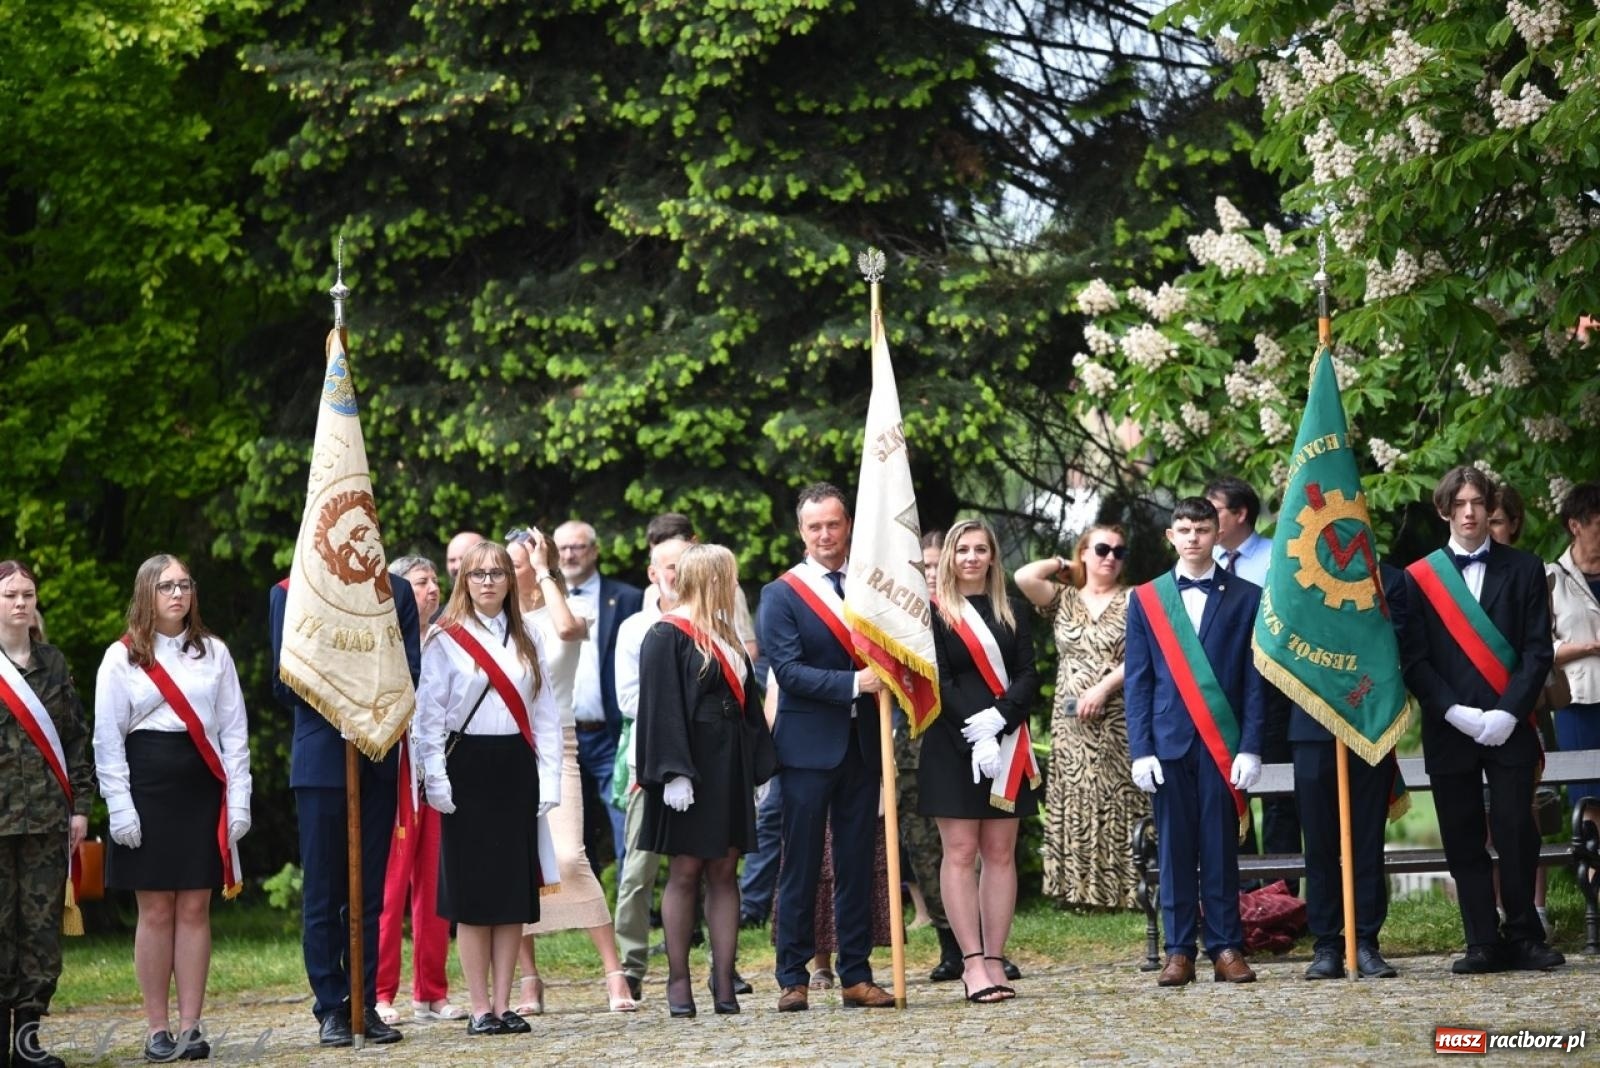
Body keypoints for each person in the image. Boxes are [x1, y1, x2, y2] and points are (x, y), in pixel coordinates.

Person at [1401, 466, 1562, 973]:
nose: (1469, 513)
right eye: (1460, 504)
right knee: (1463, 835)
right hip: (1450, 728)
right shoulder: (1418, 578)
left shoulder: (1525, 568)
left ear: (1490, 507)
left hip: (1509, 726)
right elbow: (1414, 660)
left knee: (1516, 831)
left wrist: (1508, 713)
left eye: (1478, 503)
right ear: (1444, 510)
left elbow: (1537, 652)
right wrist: (1455, 711)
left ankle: (1525, 935)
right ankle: (1481, 940)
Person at [96, 555, 253, 1060]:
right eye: (166, 586)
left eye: (184, 585)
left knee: (194, 907)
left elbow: (234, 733)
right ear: (147, 592)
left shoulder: (214, 652)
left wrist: (239, 798)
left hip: (201, 787)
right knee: (156, 909)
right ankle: (157, 1029)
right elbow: (107, 739)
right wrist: (119, 805)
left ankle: (191, 1027)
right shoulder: (121, 658)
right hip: (147, 787)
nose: (178, 594)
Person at [413, 541, 562, 1035]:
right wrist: (434, 777)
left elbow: (545, 711)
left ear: (509, 580)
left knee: (511, 892)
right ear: (464, 581)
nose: (488, 582)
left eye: (497, 573)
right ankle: (479, 1008)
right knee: (473, 894)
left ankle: (503, 1004)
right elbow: (429, 716)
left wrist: (550, 776)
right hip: (467, 768)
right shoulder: (446, 637)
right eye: (478, 574)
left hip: (516, 766)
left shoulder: (529, 634)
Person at [759, 482, 895, 1011]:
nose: (824, 535)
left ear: (848, 525)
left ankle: (856, 974)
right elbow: (789, 671)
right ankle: (792, 977)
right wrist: (854, 684)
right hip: (806, 749)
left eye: (833, 524)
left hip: (863, 744)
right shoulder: (781, 594)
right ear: (801, 531)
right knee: (802, 863)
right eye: (814, 526)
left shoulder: (872, 585)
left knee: (856, 864)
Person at [270, 568, 419, 1048]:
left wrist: (367, 703)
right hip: (321, 761)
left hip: (375, 757)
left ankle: (364, 1002)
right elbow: (283, 683)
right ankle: (331, 1007)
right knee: (323, 891)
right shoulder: (290, 592)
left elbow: (410, 671)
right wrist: (343, 698)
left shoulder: (395, 591)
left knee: (367, 894)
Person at [1124, 498, 1265, 986]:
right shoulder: (1147, 598)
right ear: (1170, 536)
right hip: (1168, 743)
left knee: (1220, 848)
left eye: (1202, 529)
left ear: (1217, 534)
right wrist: (1140, 749)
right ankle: (1179, 951)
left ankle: (1226, 947)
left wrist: (1251, 745)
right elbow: (1138, 680)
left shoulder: (1248, 596)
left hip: (1222, 743)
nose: (1192, 538)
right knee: (1174, 851)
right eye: (1183, 530)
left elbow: (1255, 681)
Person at [636, 544, 775, 1016]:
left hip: (729, 765)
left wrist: (758, 767)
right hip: (689, 768)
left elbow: (747, 705)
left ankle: (724, 981)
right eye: (728, 576)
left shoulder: (727, 633)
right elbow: (660, 707)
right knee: (686, 870)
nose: (734, 585)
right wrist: (673, 772)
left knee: (724, 871)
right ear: (712, 578)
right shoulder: (667, 633)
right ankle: (678, 981)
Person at [505, 531, 636, 1015]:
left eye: (514, 564)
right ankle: (529, 980)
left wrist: (544, 569)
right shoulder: (496, 623)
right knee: (515, 863)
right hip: (505, 746)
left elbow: (566, 631)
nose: (503, 573)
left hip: (557, 743)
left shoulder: (568, 609)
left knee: (568, 855)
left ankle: (613, 971)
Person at [918, 520, 1040, 1004]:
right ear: (949, 556)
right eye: (962, 549)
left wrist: (999, 721)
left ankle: (995, 958)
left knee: (1000, 853)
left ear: (992, 556)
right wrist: (976, 730)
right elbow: (938, 680)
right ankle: (970, 963)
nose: (971, 557)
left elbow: (1029, 675)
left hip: (1007, 743)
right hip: (953, 743)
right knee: (961, 852)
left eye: (980, 549)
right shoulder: (933, 614)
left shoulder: (1012, 609)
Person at [1016, 525, 1142, 911]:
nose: (1110, 557)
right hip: (1070, 721)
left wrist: (1103, 688)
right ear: (1084, 552)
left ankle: (1126, 891)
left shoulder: (1136, 599)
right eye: (1102, 549)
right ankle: (1079, 891)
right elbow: (1024, 576)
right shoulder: (1064, 598)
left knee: (1120, 796)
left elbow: (1143, 655)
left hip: (1118, 714)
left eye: (1119, 552)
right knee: (1076, 795)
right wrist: (1064, 565)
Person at [0, 561, 94, 1068]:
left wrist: (81, 808)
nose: (20, 603)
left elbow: (75, 738)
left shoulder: (53, 664)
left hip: (45, 822)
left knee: (39, 933)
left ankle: (27, 1042)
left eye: (28, 594)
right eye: (10, 594)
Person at [1293, 564, 1406, 980]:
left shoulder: (1388, 580)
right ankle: (1326, 944)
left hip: (1368, 722)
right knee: (1320, 843)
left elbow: (1399, 648)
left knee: (1366, 840)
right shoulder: (1295, 576)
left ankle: (1365, 941)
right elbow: (1281, 647)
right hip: (1311, 728)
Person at [372, 556, 460, 1025]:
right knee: (390, 889)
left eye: (434, 582)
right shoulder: (382, 641)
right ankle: (381, 992)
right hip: (398, 773)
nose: (432, 589)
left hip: (438, 771)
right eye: (421, 582)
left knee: (435, 886)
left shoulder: (447, 640)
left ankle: (431, 992)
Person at [1204, 476, 1299, 879]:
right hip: (1223, 692)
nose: (1205, 521)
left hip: (1274, 690)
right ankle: (1241, 892)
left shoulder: (1279, 558)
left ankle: (1281, 894)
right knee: (1228, 791)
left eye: (1214, 511)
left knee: (1278, 795)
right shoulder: (1202, 562)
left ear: (1241, 513)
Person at [613, 534, 689, 1001]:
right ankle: (631, 964)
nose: (677, 574)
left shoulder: (713, 620)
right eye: (670, 566)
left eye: (685, 564)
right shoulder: (635, 628)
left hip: (700, 762)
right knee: (638, 872)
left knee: (701, 867)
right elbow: (628, 700)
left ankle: (710, 964)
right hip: (649, 760)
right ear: (653, 573)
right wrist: (684, 708)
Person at [553, 520, 642, 873]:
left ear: (594, 551)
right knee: (570, 835)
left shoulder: (627, 599)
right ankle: (582, 903)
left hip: (609, 734)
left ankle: (627, 899)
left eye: (577, 547)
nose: (569, 555)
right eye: (562, 548)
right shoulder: (542, 599)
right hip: (561, 736)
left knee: (625, 827)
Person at [902, 529, 958, 980]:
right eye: (925, 566)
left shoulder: (969, 613)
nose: (933, 573)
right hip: (913, 746)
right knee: (925, 851)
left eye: (940, 564)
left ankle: (986, 945)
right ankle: (949, 945)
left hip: (965, 743)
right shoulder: (899, 617)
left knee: (971, 851)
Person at [1548, 480, 1600, 808]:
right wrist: (1589, 648)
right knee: (1589, 800)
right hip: (1578, 703)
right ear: (1575, 526)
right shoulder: (1551, 578)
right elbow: (1541, 648)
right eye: (1598, 524)